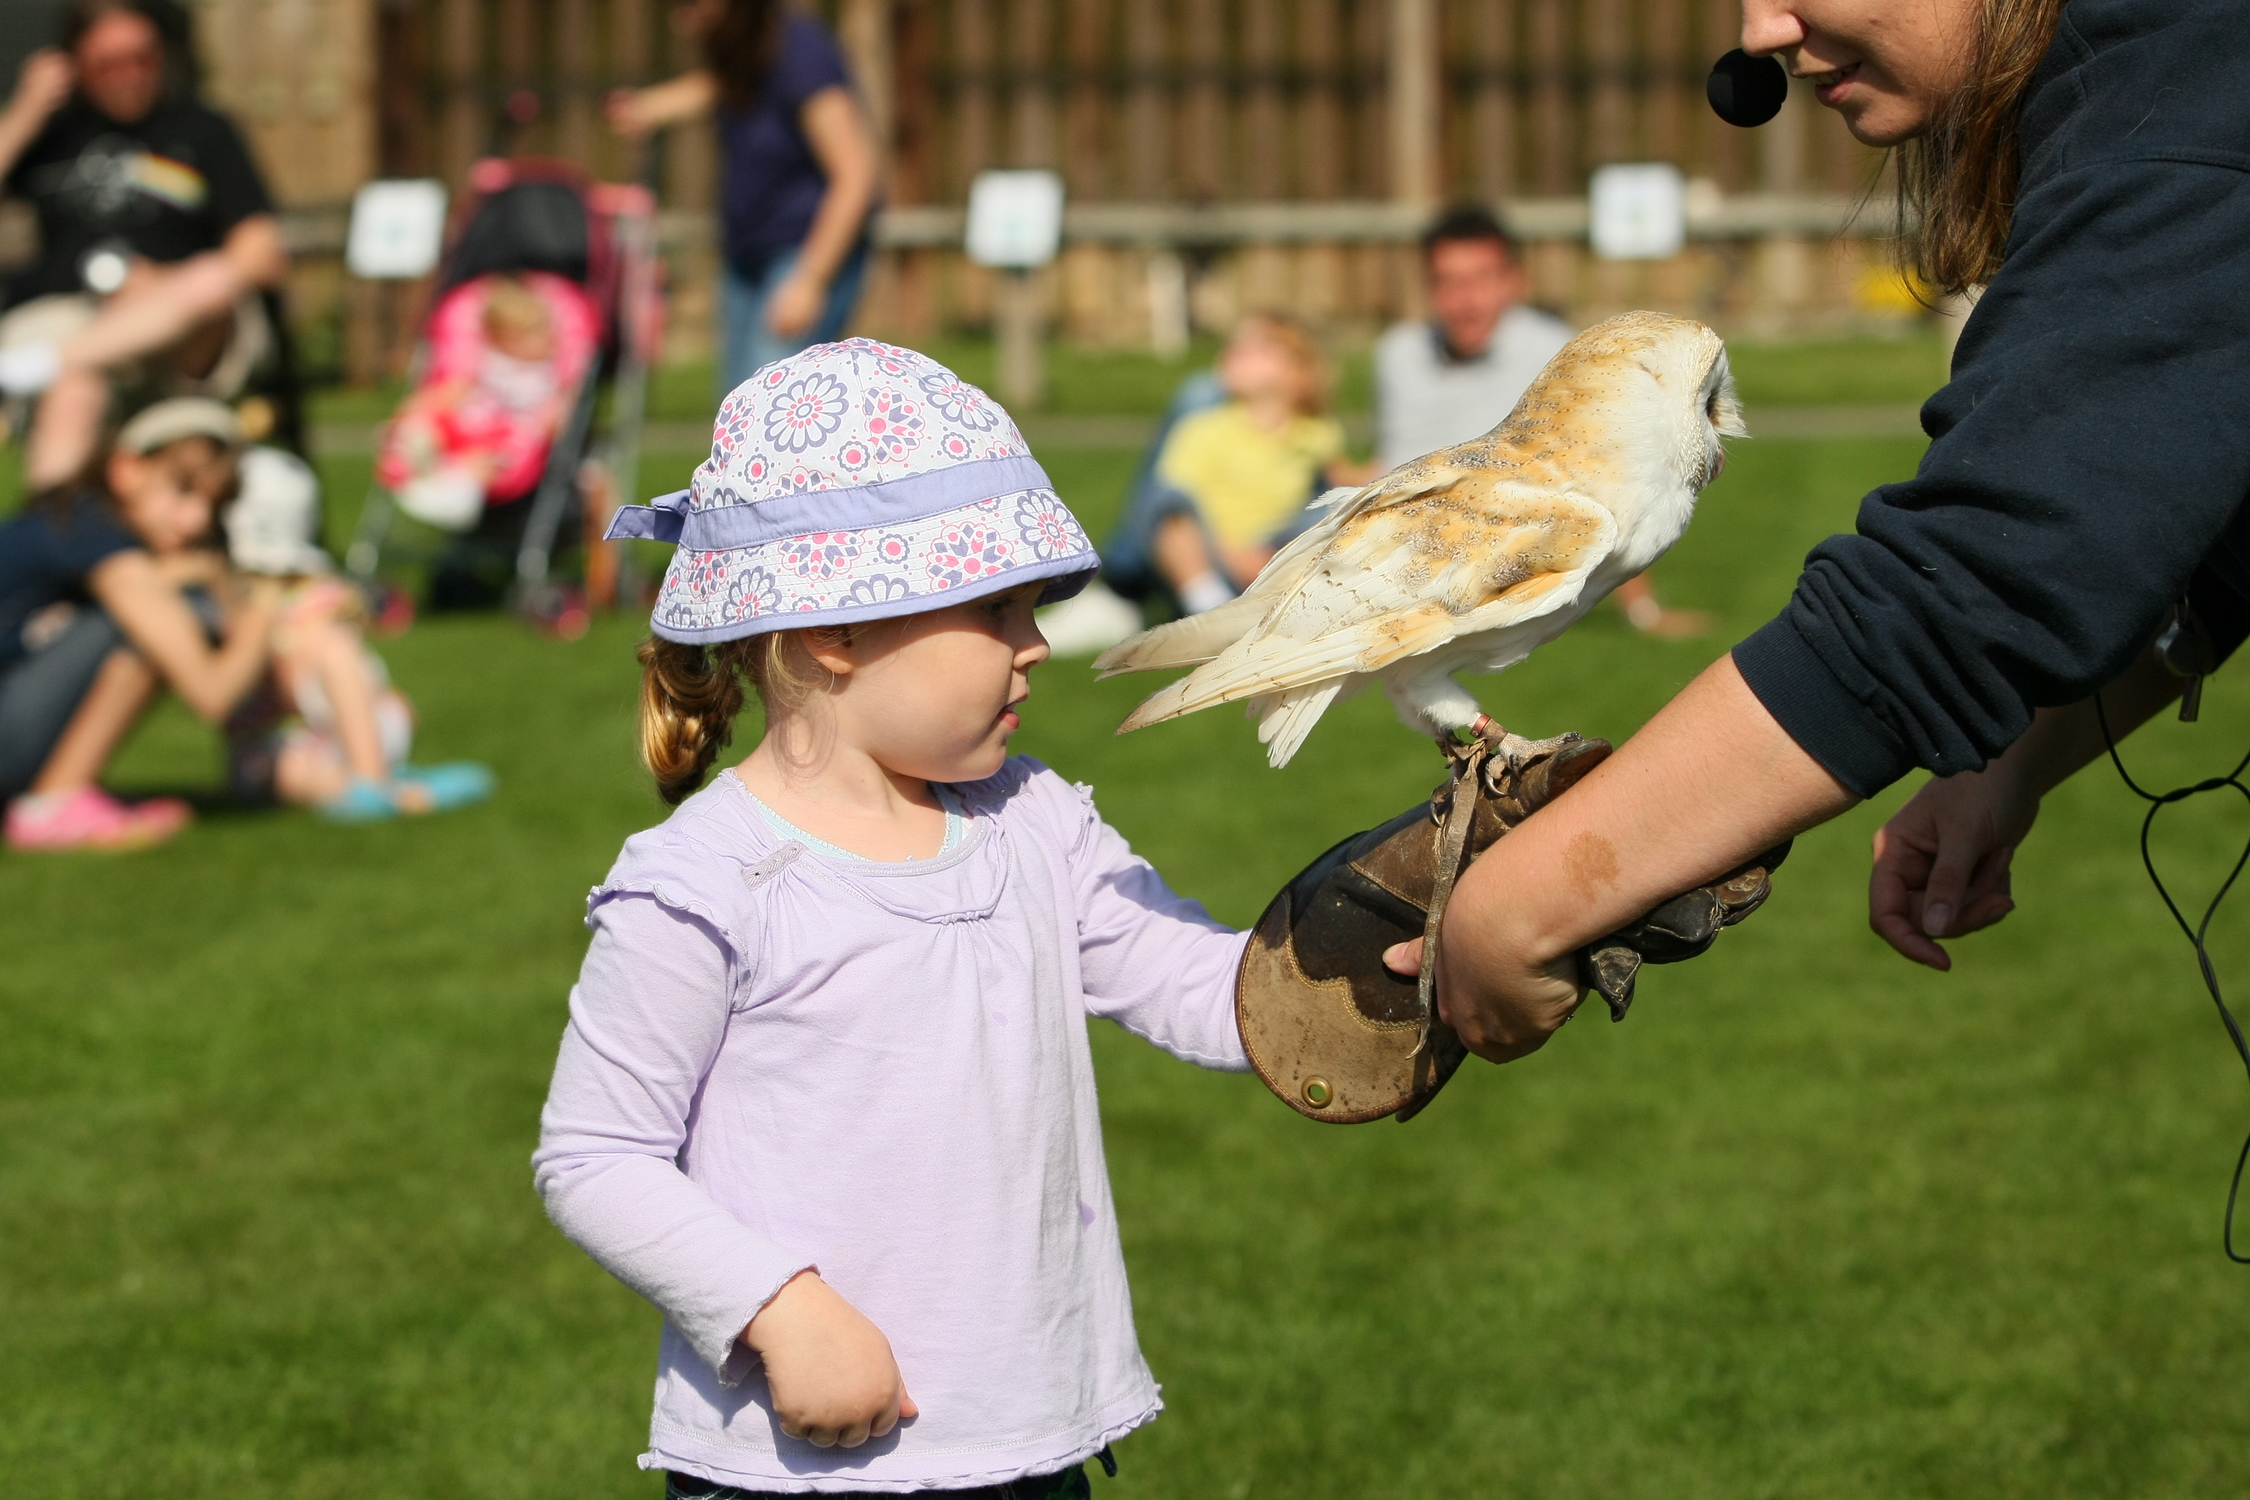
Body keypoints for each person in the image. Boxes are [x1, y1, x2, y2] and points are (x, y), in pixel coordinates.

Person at [1398, 0, 2250, 1065]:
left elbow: (1976, 581)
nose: (1759, 31)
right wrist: (2017, 760)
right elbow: (2212, 517)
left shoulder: (2183, 97)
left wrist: (1530, 895)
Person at [533, 340, 1251, 1494]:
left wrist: (1397, 941)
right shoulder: (707, 882)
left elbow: (1209, 992)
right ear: (835, 629)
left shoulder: (1035, 823)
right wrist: (778, 1310)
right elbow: (595, 1157)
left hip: (1031, 1442)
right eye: (998, 605)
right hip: (798, 1469)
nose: (1033, 645)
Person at [1376, 206, 1707, 637]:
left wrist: (1644, 609)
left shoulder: (1554, 353)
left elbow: (1603, 479)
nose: (1466, 300)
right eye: (1448, 282)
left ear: (1515, 282)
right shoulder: (1400, 353)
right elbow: (1392, 469)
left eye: (1482, 279)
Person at [0, 0, 288, 491]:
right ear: (74, 63)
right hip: (73, 316)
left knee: (214, 278)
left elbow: (262, 253)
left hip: (182, 336)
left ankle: (36, 367)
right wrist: (24, 112)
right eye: (107, 64)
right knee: (74, 394)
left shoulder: (203, 129)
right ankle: (48, 552)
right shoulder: (50, 135)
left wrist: (162, 282)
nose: (128, 75)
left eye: (142, 57)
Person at [0, 397, 271, 850]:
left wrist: (209, 578)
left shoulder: (72, 521)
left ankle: (56, 794)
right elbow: (213, 693)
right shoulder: (97, 541)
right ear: (126, 470)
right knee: (150, 632)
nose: (198, 519)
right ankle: (53, 805)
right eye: (183, 490)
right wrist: (262, 619)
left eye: (214, 502)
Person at [606, 0, 879, 398]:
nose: (682, 20)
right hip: (748, 251)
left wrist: (810, 280)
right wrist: (650, 108)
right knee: (739, 404)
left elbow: (855, 175)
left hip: (803, 251)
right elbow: (719, 84)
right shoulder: (749, 50)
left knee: (776, 404)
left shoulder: (804, 56)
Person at [220, 445, 496, 821]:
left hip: (346, 730)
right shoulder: (237, 605)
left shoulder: (314, 602)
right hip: (289, 741)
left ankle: (370, 780)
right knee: (286, 768)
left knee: (336, 653)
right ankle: (393, 789)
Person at [1149, 313, 1375, 615]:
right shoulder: (1204, 429)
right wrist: (1232, 554)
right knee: (1174, 527)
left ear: (1300, 377)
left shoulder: (1315, 432)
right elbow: (1177, 497)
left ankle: (1308, 601)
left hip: (1274, 549)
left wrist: (1380, 475)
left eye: (1263, 347)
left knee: (1332, 515)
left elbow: (1342, 478)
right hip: (1214, 547)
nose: (1241, 349)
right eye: (1238, 345)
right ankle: (1205, 604)